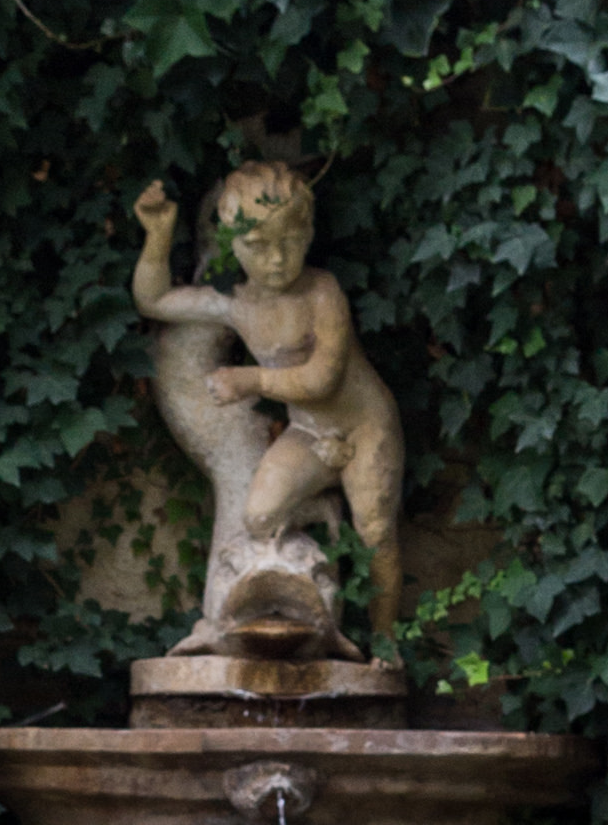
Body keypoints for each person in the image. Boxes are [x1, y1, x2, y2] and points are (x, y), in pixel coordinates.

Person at [131, 146, 406, 649]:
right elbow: (154, 300)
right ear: (232, 241)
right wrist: (158, 236)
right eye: (258, 245)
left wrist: (250, 380)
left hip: (365, 427)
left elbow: (322, 380)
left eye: (291, 242)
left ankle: (385, 640)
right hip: (310, 433)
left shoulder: (322, 292)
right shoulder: (238, 304)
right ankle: (319, 506)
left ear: (309, 235)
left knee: (375, 532)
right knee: (258, 517)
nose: (277, 259)